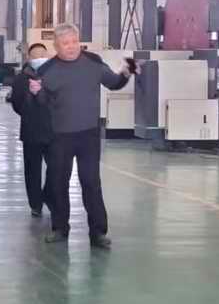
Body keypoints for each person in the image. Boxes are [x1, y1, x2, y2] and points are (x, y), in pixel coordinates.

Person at [28, 23, 132, 248]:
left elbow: (114, 83)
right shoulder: (46, 70)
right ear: (56, 46)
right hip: (59, 137)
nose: (71, 47)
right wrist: (36, 93)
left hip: (89, 135)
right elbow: (42, 103)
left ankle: (98, 233)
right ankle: (60, 228)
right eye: (65, 43)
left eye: (74, 42)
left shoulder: (93, 62)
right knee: (58, 184)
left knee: (91, 183)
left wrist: (126, 72)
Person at [10, 42, 56, 217]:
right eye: (36, 56)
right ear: (29, 58)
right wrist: (29, 112)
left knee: (56, 169)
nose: (39, 59)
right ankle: (35, 204)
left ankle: (49, 197)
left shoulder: (54, 75)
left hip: (53, 131)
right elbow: (16, 103)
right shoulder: (21, 79)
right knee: (32, 171)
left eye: (42, 55)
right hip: (31, 132)